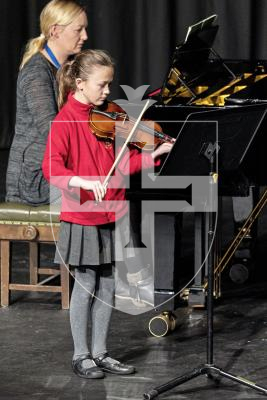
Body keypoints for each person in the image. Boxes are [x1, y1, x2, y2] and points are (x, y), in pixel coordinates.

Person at [42, 49, 173, 379]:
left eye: (109, 85)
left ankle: (100, 352)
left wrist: (154, 152)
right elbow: (52, 169)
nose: (108, 93)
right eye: (102, 86)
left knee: (109, 285)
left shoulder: (108, 117)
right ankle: (81, 354)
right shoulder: (65, 120)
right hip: (83, 215)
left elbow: (123, 165)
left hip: (113, 210)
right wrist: (84, 181)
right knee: (86, 283)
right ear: (80, 83)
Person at [6, 0, 88, 205]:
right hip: (35, 178)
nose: (85, 36)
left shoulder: (70, 68)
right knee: (103, 189)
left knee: (123, 178)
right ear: (55, 31)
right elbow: (53, 131)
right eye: (79, 30)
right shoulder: (36, 73)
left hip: (60, 166)